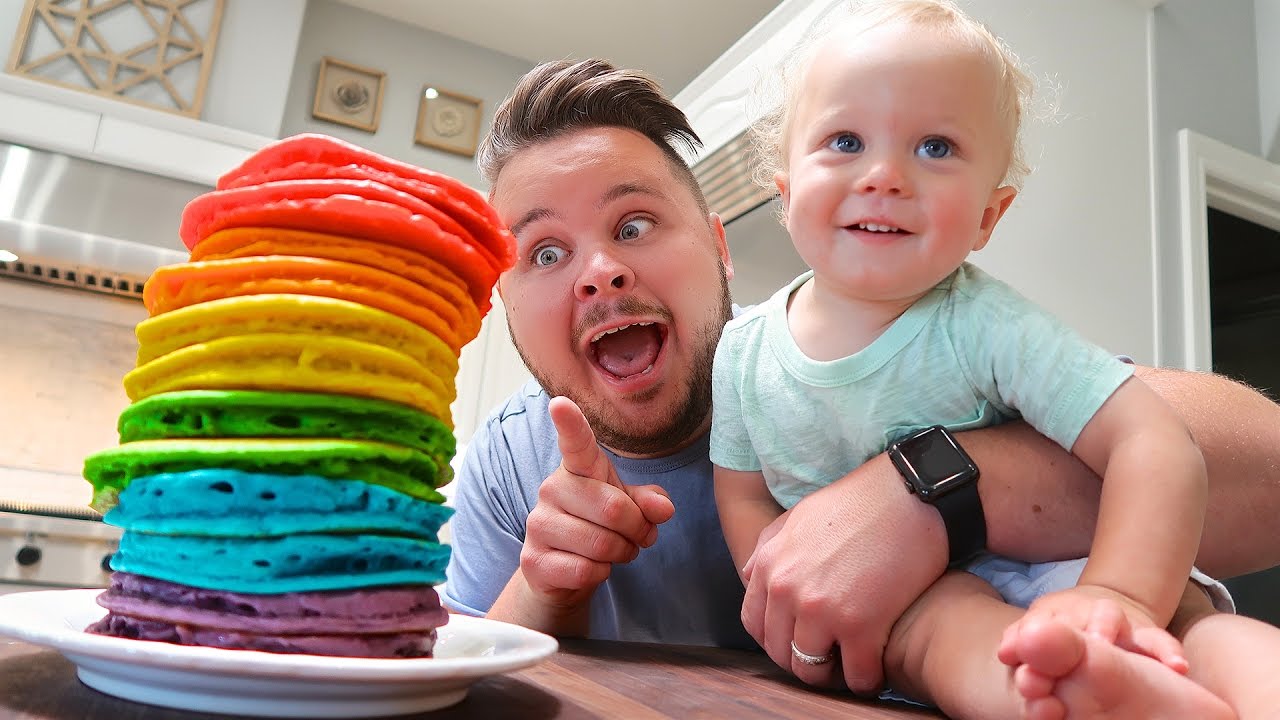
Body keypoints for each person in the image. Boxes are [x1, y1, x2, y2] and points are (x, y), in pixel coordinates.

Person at [441, 56, 1280, 702]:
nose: (599, 273)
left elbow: (1257, 464)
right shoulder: (508, 463)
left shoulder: (842, 341)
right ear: (504, 300)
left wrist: (932, 490)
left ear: (722, 247)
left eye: (635, 223)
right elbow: (454, 691)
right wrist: (546, 587)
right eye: (544, 252)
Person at [707, 1, 1280, 717]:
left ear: (988, 216)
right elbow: (743, 493)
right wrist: (784, 599)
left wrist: (1120, 594)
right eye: (846, 140)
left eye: (936, 147)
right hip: (915, 602)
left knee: (1200, 631)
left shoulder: (986, 324)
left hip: (1086, 562)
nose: (884, 175)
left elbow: (1154, 439)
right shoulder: (742, 355)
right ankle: (1078, 695)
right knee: (943, 631)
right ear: (786, 194)